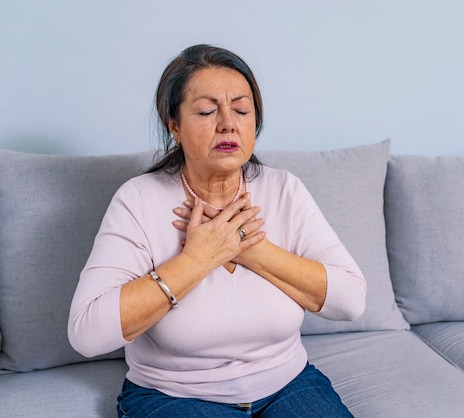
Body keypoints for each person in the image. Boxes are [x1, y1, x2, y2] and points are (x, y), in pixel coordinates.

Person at [68, 44, 366, 417]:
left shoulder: (284, 189)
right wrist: (197, 259)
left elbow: (352, 300)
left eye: (241, 110)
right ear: (173, 124)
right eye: (208, 111)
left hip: (288, 385)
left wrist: (249, 249)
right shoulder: (138, 200)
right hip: (173, 396)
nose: (228, 123)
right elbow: (86, 333)